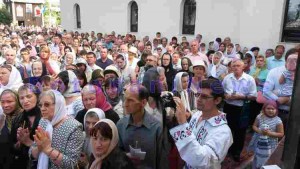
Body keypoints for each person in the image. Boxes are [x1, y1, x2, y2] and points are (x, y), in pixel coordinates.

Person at [170, 78, 233, 168]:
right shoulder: (197, 115)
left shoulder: (223, 132)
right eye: (197, 94)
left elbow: (202, 161)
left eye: (204, 96)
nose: (198, 99)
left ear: (217, 100)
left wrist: (183, 124)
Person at [117, 84, 169, 169]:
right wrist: (125, 156)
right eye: (125, 99)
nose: (125, 104)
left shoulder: (157, 128)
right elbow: (116, 153)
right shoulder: (121, 125)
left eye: (130, 100)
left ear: (143, 102)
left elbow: (162, 160)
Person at [29, 90, 84, 169]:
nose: (42, 109)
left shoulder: (74, 127)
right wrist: (39, 148)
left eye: (47, 105)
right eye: (40, 105)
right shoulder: (43, 122)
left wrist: (48, 150)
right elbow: (31, 153)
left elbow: (71, 164)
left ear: (59, 104)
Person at [222, 59, 257, 162]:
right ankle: (226, 150)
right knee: (226, 130)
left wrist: (241, 97)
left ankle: (236, 152)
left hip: (242, 108)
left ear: (243, 67)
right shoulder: (227, 78)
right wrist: (226, 96)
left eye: (238, 65)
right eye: (234, 66)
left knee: (240, 131)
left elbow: (254, 96)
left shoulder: (249, 79)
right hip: (228, 107)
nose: (236, 67)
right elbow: (222, 92)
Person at [263, 48, 298, 128]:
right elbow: (266, 91)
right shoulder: (274, 72)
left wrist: (289, 100)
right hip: (276, 112)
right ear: (286, 60)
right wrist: (278, 99)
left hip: (295, 114)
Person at [10, 84, 41, 169]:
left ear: (37, 97)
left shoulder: (45, 117)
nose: (25, 101)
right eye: (22, 98)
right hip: (22, 163)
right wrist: (18, 144)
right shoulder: (16, 119)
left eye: (29, 96)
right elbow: (12, 147)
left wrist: (28, 142)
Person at [248, 101, 284, 169]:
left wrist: (269, 133)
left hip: (270, 143)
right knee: (257, 154)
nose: (270, 110)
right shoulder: (260, 117)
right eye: (268, 108)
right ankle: (255, 166)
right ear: (264, 109)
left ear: (276, 110)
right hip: (258, 140)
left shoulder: (278, 121)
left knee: (267, 157)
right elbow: (254, 126)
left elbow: (281, 134)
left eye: (273, 109)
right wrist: (260, 131)